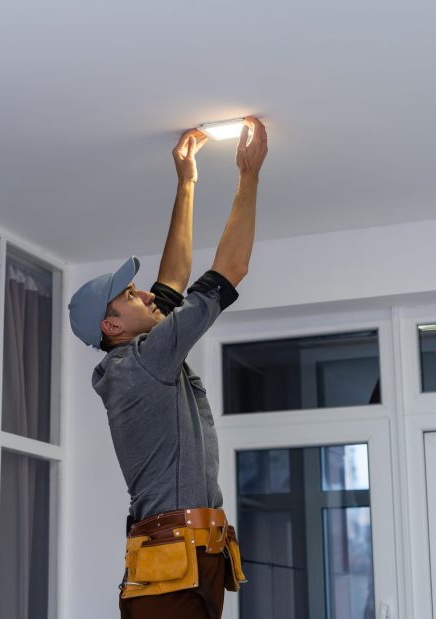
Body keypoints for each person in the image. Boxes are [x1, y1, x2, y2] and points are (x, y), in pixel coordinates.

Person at [68, 116, 268, 618]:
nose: (144, 294)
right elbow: (228, 272)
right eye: (129, 295)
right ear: (111, 327)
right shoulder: (139, 364)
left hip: (187, 557)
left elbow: (171, 279)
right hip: (175, 562)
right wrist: (249, 176)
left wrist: (187, 182)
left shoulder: (138, 357)